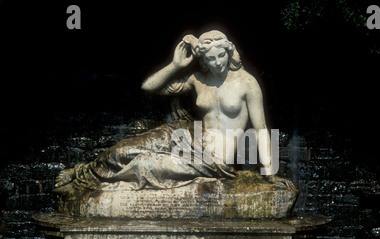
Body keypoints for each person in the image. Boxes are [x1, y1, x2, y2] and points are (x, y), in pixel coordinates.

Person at [55, 30, 295, 192]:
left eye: (222, 55)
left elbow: (262, 130)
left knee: (144, 164)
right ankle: (83, 173)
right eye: (211, 59)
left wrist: (269, 173)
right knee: (124, 150)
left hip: (212, 159)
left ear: (229, 52)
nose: (218, 62)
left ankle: (91, 186)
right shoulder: (197, 79)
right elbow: (149, 87)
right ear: (203, 60)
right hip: (187, 136)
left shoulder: (247, 83)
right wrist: (175, 66)